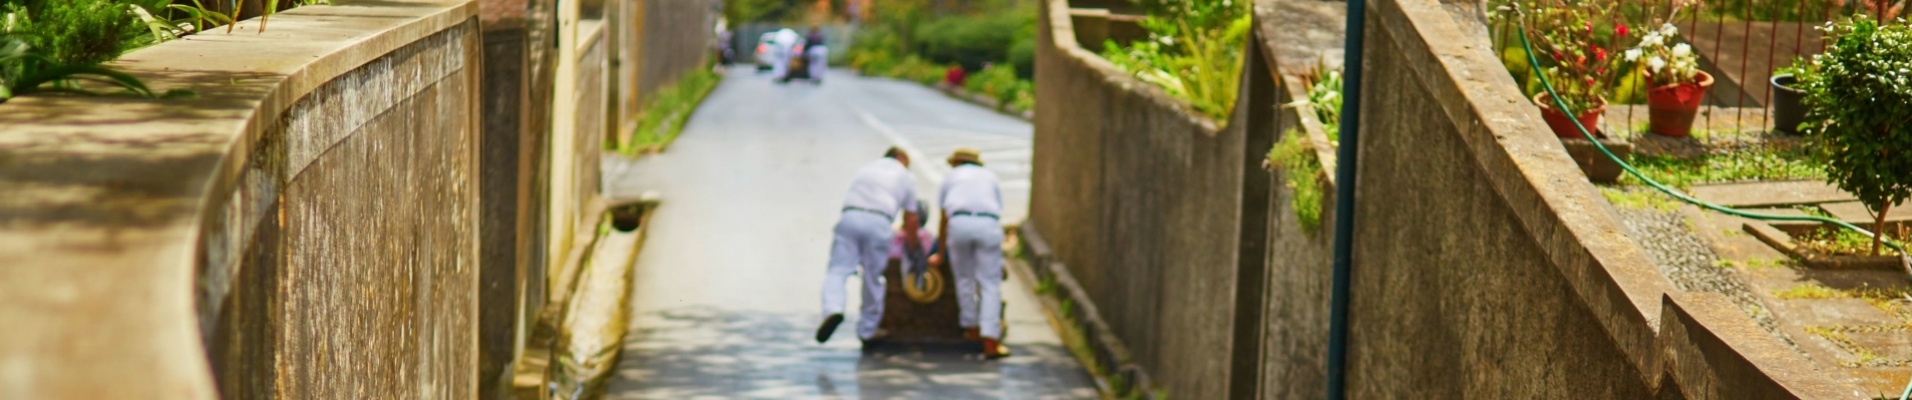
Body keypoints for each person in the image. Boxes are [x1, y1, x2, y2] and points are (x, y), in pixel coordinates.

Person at [818, 147, 924, 345]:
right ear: (901, 159)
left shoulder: (866, 169)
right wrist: (914, 249)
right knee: (873, 276)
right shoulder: (906, 176)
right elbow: (911, 218)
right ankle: (867, 330)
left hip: (850, 216)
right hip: (879, 221)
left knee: (837, 270)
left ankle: (832, 309)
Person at [930, 147, 1010, 359]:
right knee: (989, 283)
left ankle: (971, 328)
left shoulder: (951, 177)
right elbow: (997, 210)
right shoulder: (990, 177)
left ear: (956, 163)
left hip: (960, 223)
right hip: (987, 223)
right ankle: (990, 341)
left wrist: (939, 252)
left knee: (964, 278)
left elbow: (943, 217)